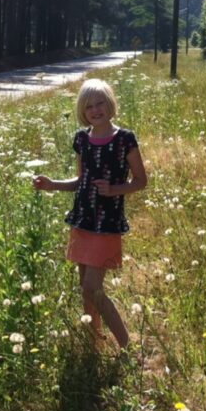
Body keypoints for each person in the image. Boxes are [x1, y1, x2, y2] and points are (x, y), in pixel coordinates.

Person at [32, 78, 147, 349]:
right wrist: (53, 185)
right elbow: (80, 181)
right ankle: (93, 343)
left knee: (93, 288)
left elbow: (141, 181)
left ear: (111, 105)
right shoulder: (82, 139)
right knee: (84, 286)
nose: (95, 110)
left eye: (100, 104)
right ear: (82, 111)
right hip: (82, 220)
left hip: (106, 224)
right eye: (89, 107)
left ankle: (127, 347)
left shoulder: (125, 139)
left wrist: (115, 189)